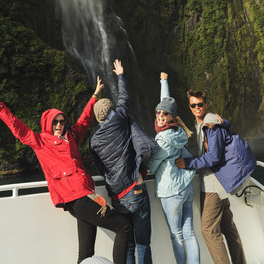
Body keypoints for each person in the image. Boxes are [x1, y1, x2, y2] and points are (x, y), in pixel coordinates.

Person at [0, 77, 132, 264]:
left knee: (86, 254)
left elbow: (84, 119)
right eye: (55, 122)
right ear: (48, 124)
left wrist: (95, 95)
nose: (59, 125)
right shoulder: (40, 142)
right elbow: (18, 128)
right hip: (77, 198)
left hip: (86, 193)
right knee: (124, 226)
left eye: (62, 121)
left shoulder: (71, 137)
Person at [175, 89, 257, 264]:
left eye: (200, 104)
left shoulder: (211, 126)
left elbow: (213, 157)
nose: (197, 107)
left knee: (208, 230)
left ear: (206, 104)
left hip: (215, 184)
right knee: (228, 227)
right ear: (189, 107)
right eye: (193, 105)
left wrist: (187, 163)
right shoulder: (202, 123)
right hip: (220, 182)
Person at [90, 59, 158, 264]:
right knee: (143, 243)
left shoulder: (93, 141)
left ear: (97, 118)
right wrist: (120, 74)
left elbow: (100, 168)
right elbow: (124, 98)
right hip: (135, 190)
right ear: (111, 111)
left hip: (116, 196)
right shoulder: (119, 119)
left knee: (127, 243)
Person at [147, 73, 200, 264]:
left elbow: (154, 163)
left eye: (164, 114)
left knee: (176, 236)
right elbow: (166, 102)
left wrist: (142, 170)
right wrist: (163, 81)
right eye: (158, 112)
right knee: (190, 234)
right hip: (186, 186)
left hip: (172, 191)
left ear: (171, 117)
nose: (160, 116)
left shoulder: (163, 138)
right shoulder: (178, 130)